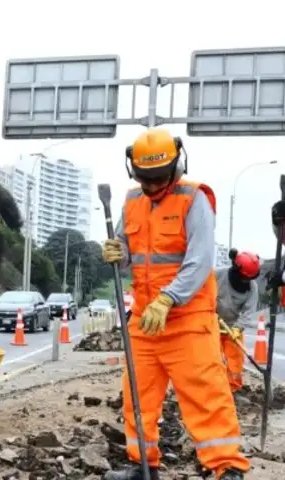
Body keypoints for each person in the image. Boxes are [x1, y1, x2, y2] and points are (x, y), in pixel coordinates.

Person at [101, 128, 250, 480]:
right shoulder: (131, 200)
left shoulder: (194, 198)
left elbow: (199, 261)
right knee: (139, 397)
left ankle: (226, 468)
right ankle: (143, 465)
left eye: (159, 178)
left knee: (205, 396)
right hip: (144, 319)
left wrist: (168, 298)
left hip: (187, 319)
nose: (152, 186)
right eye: (145, 178)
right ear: (134, 171)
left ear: (176, 165)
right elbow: (128, 256)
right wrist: (116, 254)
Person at [215, 249, 260, 393]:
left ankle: (234, 389)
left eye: (249, 279)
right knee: (211, 359)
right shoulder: (217, 275)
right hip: (211, 324)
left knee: (235, 360)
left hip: (232, 327)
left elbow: (248, 312)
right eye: (244, 278)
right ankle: (212, 388)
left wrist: (238, 328)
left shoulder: (252, 288)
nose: (246, 281)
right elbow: (202, 294)